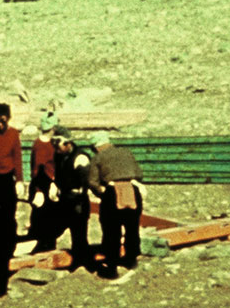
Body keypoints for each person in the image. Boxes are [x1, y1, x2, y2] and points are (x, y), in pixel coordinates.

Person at [86, 132, 144, 278]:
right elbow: (139, 174)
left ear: (96, 147)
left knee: (111, 230)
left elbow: (92, 181)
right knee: (132, 228)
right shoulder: (126, 152)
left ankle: (111, 267)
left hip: (112, 192)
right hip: (132, 190)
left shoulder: (98, 157)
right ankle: (131, 260)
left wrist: (102, 192)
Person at [48, 126, 94, 266]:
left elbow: (85, 182)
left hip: (77, 201)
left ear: (68, 143)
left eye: (58, 144)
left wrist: (78, 196)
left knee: (79, 235)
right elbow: (58, 174)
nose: (56, 148)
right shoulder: (59, 155)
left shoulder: (80, 157)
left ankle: (81, 263)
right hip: (64, 199)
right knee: (52, 229)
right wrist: (55, 185)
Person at [26, 112, 60, 251]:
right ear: (53, 128)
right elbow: (37, 170)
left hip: (50, 184)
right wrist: (39, 190)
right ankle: (43, 246)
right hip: (43, 185)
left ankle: (47, 244)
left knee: (50, 218)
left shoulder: (49, 143)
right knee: (43, 219)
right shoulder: (41, 145)